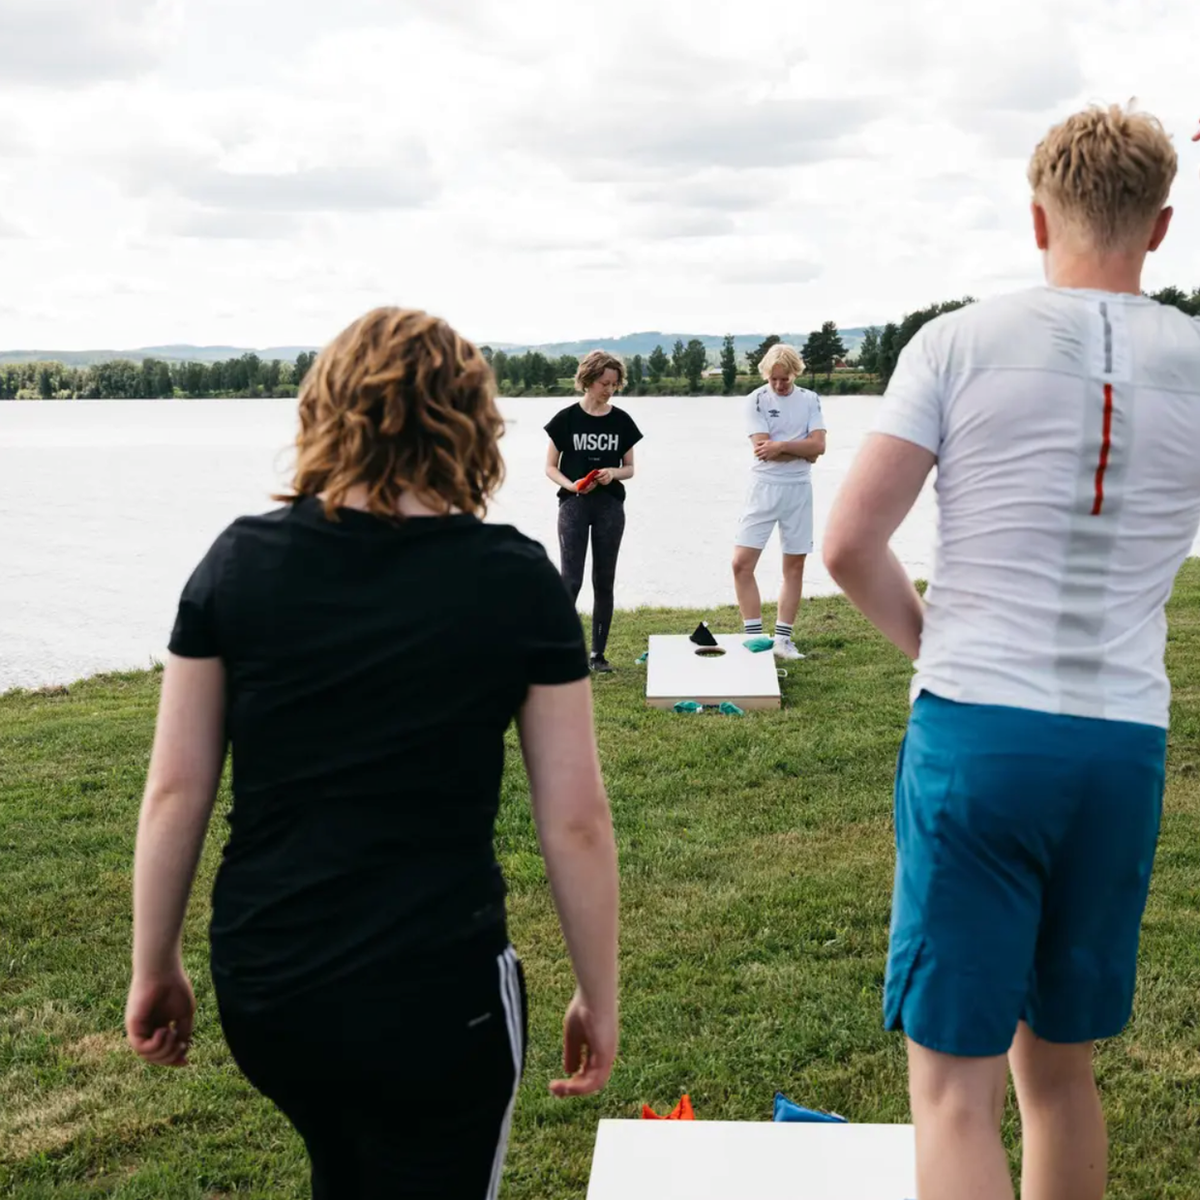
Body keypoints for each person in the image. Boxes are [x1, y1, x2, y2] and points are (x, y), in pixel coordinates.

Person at [125, 307, 621, 1199]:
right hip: (438, 996)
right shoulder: (513, 578)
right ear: (471, 423)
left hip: (269, 985)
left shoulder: (236, 565)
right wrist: (598, 992)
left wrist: (153, 963)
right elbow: (575, 820)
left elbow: (175, 790)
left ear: (323, 410)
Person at [823, 102, 1200, 1200]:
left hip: (981, 730)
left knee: (952, 1091)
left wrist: (932, 642)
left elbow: (849, 544)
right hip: (1123, 741)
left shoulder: (956, 342)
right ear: (1162, 227)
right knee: (1061, 1076)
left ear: (1038, 218)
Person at [545, 350, 643, 673]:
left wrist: (612, 473)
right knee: (570, 580)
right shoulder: (566, 419)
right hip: (573, 505)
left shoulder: (622, 421)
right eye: (604, 383)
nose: (609, 389)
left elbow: (630, 468)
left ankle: (597, 656)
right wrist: (572, 485)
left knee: (604, 580)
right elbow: (549, 467)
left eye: (615, 384)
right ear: (587, 380)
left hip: (610, 507)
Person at [732, 343, 826, 660]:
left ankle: (783, 640)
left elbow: (819, 446)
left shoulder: (810, 399)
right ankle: (756, 638)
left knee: (794, 565)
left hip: (799, 489)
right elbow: (762, 449)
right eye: (773, 379)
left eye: (784, 379)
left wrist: (782, 446)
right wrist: (802, 449)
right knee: (741, 564)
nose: (778, 385)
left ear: (794, 374)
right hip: (763, 487)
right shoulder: (755, 400)